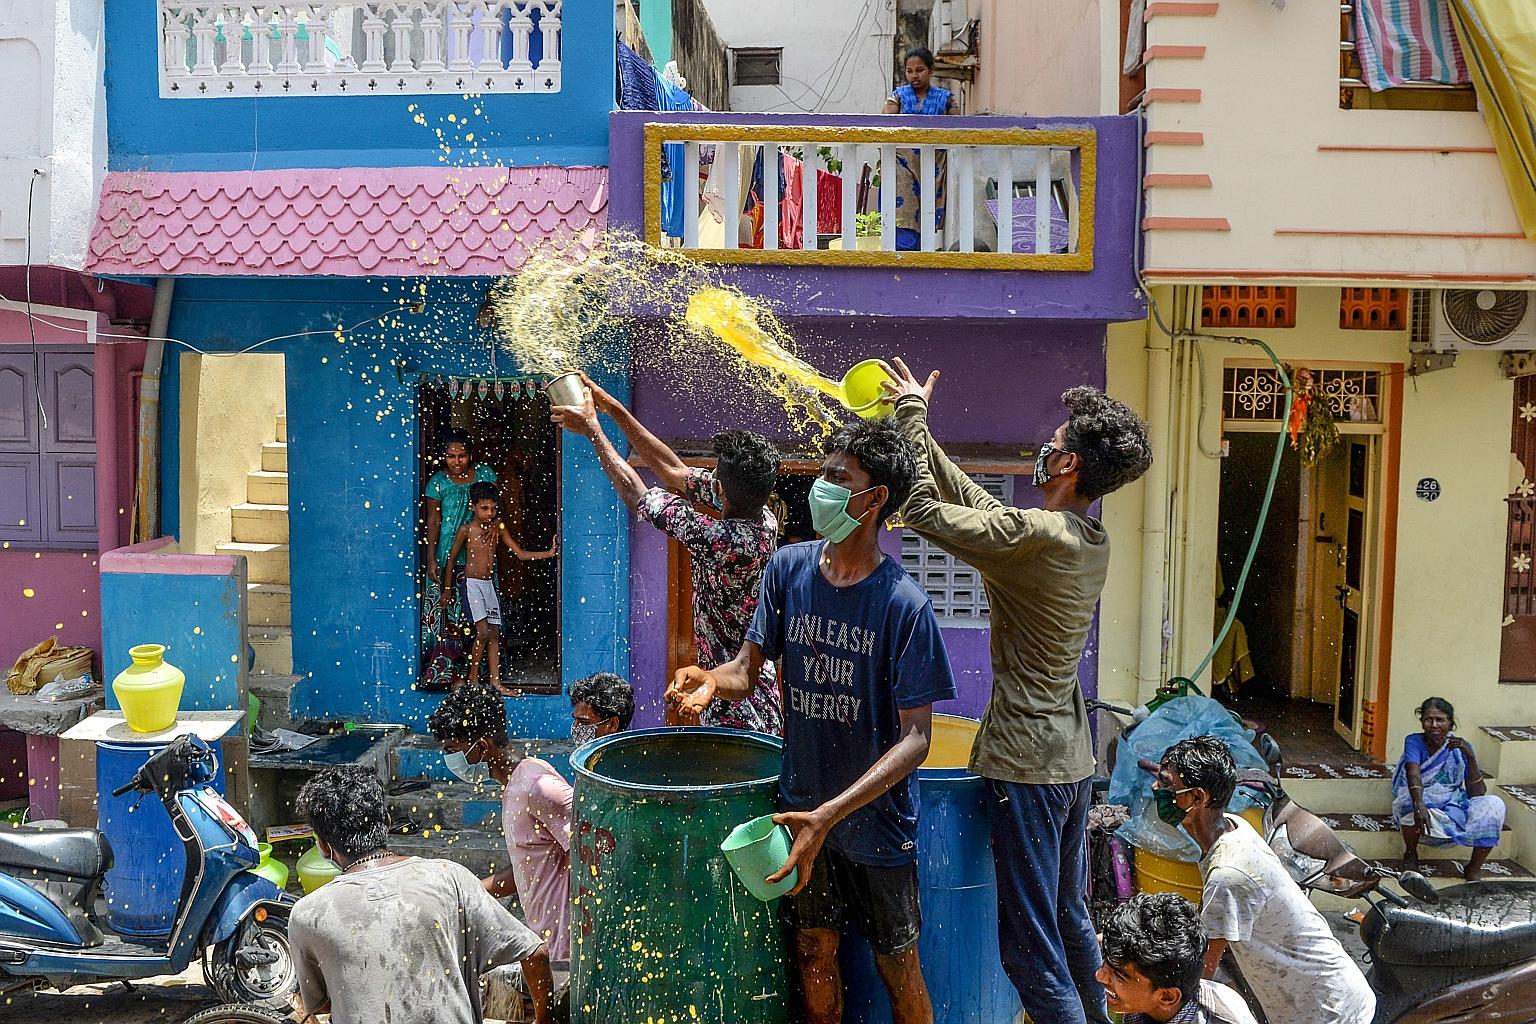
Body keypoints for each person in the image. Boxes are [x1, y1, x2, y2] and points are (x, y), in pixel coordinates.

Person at [884, 360, 1152, 1024]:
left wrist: (912, 418)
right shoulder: (1084, 536)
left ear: (1066, 467)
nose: (1044, 449)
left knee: (1028, 951)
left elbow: (919, 508)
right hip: (1068, 765)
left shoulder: (1040, 537)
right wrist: (920, 420)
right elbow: (978, 506)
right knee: (1066, 919)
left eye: (1053, 444)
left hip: (1028, 767)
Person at [667, 420, 957, 1024]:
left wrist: (829, 814)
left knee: (897, 967)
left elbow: (918, 739)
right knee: (813, 953)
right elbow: (749, 667)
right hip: (799, 808)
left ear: (874, 499)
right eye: (823, 472)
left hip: (874, 826)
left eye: (836, 477)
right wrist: (712, 680)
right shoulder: (788, 569)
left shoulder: (904, 604)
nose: (820, 486)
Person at [551, 371, 783, 734]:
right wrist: (612, 407)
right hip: (758, 687)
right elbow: (675, 472)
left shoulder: (723, 540)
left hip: (727, 695)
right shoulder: (763, 518)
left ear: (720, 488)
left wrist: (594, 432)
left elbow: (638, 496)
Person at [289, 764, 555, 1024]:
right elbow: (535, 953)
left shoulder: (308, 914)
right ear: (388, 822)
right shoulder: (449, 878)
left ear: (324, 846)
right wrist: (545, 1019)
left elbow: (320, 1003)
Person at [1155, 736, 1374, 1024]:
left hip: (1327, 1010)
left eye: (1166, 783)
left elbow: (1200, 972)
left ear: (1197, 798)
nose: (1156, 788)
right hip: (1318, 996)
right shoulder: (1235, 827)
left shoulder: (1228, 873)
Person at [427, 673, 634, 964]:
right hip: (546, 946)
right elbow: (531, 870)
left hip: (568, 953)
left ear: (483, 748)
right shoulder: (518, 784)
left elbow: (598, 856)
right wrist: (466, 891)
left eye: (452, 750)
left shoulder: (538, 786)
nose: (449, 759)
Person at [443, 480, 557, 693]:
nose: (489, 513)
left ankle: (496, 682)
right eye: (484, 508)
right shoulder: (466, 530)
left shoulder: (499, 526)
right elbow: (451, 559)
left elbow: (520, 553)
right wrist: (447, 589)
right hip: (473, 585)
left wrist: (548, 554)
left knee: (494, 633)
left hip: (488, 586)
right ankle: (473, 680)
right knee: (483, 633)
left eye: (494, 508)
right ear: (473, 506)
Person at [1097, 892, 1259, 1024]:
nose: (1100, 975)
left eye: (1119, 974)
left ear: (1167, 997)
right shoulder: (1152, 999)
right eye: (1106, 961)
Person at [1393, 696, 1505, 880]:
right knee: (1409, 799)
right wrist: (1419, 803)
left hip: (1453, 802)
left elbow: (1477, 793)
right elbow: (1413, 774)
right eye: (1429, 720)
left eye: (1440, 720)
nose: (1434, 725)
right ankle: (1411, 854)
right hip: (1423, 796)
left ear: (1451, 724)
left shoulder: (1461, 746)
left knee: (1494, 804)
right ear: (1422, 722)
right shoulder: (1414, 741)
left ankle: (1473, 868)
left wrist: (1469, 757)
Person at [421, 429, 498, 688]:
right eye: (450, 456)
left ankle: (477, 672)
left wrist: (494, 527)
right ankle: (446, 672)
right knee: (449, 614)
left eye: (462, 456)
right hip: (447, 555)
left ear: (470, 455)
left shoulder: (485, 474)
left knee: (479, 618)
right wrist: (431, 558)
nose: (456, 461)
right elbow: (433, 521)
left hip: (479, 558)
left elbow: (496, 507)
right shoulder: (438, 482)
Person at [881, 47, 957, 252]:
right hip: (904, 163)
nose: (914, 75)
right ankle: (903, 258)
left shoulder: (946, 98)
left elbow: (959, 126)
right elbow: (884, 122)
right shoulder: (898, 96)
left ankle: (923, 257)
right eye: (909, 71)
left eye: (920, 70)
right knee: (903, 211)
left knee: (929, 210)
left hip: (934, 165)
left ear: (931, 70)